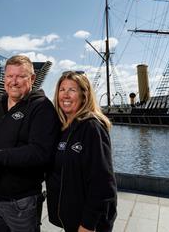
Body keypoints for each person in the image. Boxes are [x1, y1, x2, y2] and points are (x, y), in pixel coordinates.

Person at [0, 55, 60, 232]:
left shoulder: (42, 108)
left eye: (20, 76)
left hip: (22, 203)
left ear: (32, 78)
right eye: (9, 76)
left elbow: (41, 152)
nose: (14, 81)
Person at [46, 71, 117, 232]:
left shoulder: (92, 127)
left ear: (84, 95)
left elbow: (103, 182)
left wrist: (88, 224)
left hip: (88, 224)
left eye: (72, 90)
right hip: (72, 219)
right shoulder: (64, 128)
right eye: (62, 90)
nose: (65, 95)